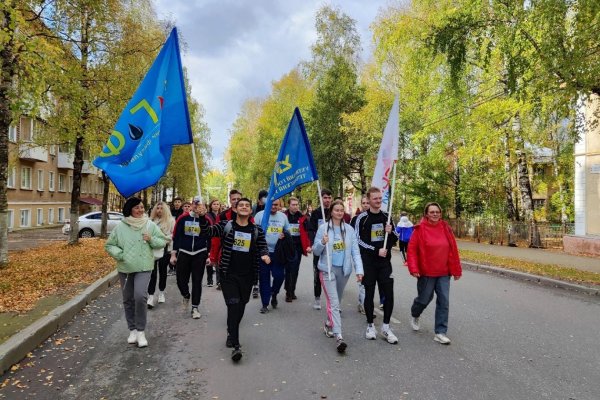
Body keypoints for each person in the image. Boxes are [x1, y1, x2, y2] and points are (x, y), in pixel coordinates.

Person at [198, 198, 270, 362]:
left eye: (247, 205)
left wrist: (264, 254)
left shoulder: (256, 230)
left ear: (250, 211)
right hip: (228, 275)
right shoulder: (226, 225)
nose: (244, 207)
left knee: (241, 305)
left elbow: (262, 245)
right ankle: (236, 346)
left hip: (248, 276)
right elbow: (207, 232)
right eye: (241, 205)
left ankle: (231, 330)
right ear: (235, 209)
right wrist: (202, 217)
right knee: (233, 305)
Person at [105, 197, 168, 348]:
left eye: (141, 207)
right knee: (128, 299)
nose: (140, 210)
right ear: (130, 209)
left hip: (144, 266)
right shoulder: (121, 226)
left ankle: (141, 331)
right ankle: (132, 329)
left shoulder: (149, 224)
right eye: (137, 208)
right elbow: (109, 245)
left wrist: (151, 239)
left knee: (140, 296)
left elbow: (163, 241)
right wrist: (121, 255)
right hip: (125, 268)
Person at [407, 202, 462, 345]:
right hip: (426, 272)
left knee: (444, 301)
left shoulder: (445, 228)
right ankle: (415, 313)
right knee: (424, 299)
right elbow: (412, 250)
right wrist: (414, 268)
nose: (435, 214)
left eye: (437, 212)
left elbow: (453, 249)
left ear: (440, 213)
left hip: (444, 272)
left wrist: (456, 270)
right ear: (426, 214)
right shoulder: (420, 229)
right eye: (432, 212)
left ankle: (440, 332)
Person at [313, 200, 364, 353]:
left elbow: (355, 251)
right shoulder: (323, 228)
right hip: (327, 270)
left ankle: (329, 323)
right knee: (334, 303)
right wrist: (322, 242)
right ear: (331, 212)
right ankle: (339, 337)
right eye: (337, 210)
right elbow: (315, 251)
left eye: (342, 210)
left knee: (336, 301)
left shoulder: (349, 230)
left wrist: (359, 270)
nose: (339, 212)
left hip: (344, 271)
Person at [355, 187, 399, 344]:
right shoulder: (362, 218)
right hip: (369, 263)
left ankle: (386, 327)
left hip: (384, 263)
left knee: (389, 293)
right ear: (369, 199)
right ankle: (370, 325)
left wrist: (391, 231)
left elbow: (395, 239)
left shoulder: (387, 217)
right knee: (369, 292)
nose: (378, 201)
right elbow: (357, 240)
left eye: (380, 198)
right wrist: (375, 250)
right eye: (375, 199)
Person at [171, 196, 209, 319]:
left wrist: (209, 254)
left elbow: (210, 237)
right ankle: (186, 295)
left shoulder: (206, 220)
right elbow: (176, 236)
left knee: (197, 281)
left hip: (200, 252)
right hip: (184, 252)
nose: (198, 207)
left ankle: (195, 307)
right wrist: (173, 253)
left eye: (200, 205)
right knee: (181, 280)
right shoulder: (183, 218)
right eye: (196, 204)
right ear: (192, 205)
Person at [254, 198, 290, 313]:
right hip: (264, 252)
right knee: (264, 279)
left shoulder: (283, 217)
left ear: (279, 205)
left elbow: (288, 232)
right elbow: (253, 232)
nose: (273, 207)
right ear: (267, 204)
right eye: (271, 204)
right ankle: (265, 304)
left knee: (279, 276)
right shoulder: (260, 215)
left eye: (276, 205)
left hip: (278, 253)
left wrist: (284, 235)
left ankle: (274, 293)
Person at [210, 190, 243, 291]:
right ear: (230, 200)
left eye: (238, 199)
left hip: (242, 252)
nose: (236, 201)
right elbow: (216, 237)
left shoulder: (248, 214)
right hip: (226, 252)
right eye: (234, 199)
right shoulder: (222, 216)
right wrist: (213, 257)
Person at [307, 188, 333, 310]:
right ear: (321, 199)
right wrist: (313, 244)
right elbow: (311, 230)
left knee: (333, 274)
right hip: (319, 247)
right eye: (325, 198)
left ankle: (334, 300)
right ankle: (317, 298)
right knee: (318, 274)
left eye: (329, 197)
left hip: (332, 249)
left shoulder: (334, 212)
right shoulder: (316, 213)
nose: (327, 200)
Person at [147, 201, 175, 309]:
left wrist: (172, 251)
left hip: (165, 249)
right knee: (152, 273)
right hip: (152, 249)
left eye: (161, 208)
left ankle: (161, 292)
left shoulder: (171, 221)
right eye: (157, 208)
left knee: (163, 272)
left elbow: (173, 234)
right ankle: (150, 296)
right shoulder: (151, 221)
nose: (159, 210)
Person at [284, 197, 311, 302]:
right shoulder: (284, 216)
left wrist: (308, 245)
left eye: (296, 204)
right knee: (288, 269)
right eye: (293, 204)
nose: (295, 206)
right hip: (286, 247)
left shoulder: (303, 217)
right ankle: (288, 292)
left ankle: (292, 290)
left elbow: (308, 232)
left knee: (295, 269)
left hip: (298, 247)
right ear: (289, 205)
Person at [350, 196, 369, 315]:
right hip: (360, 254)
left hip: (373, 255)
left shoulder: (377, 218)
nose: (366, 205)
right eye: (364, 203)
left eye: (368, 202)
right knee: (362, 280)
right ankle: (362, 304)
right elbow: (352, 237)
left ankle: (364, 302)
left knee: (369, 282)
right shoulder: (356, 219)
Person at [204, 199, 222, 287]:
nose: (216, 205)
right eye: (214, 204)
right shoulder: (207, 215)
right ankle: (209, 279)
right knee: (209, 258)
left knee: (219, 260)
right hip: (209, 239)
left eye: (217, 204)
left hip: (219, 239)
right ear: (211, 206)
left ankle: (219, 280)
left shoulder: (221, 215)